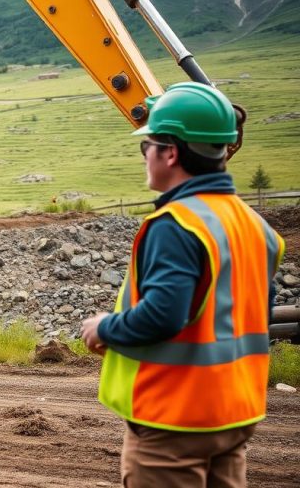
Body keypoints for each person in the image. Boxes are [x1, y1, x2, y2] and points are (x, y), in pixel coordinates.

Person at [79, 82, 284, 488]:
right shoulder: (254, 226)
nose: (145, 156)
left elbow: (163, 315)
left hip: (176, 420)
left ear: (170, 152)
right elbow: (253, 311)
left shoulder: (177, 224)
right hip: (234, 412)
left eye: (147, 145)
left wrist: (103, 327)